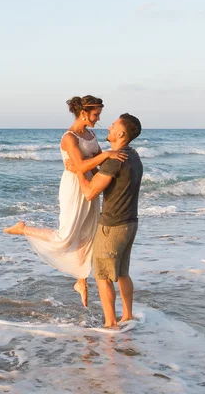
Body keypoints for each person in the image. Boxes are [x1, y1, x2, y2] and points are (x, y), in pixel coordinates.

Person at [4, 96, 127, 307]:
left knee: (87, 234)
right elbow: (80, 166)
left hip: (91, 187)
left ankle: (81, 281)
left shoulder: (90, 134)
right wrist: (106, 155)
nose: (98, 119)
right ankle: (24, 228)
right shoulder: (69, 138)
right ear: (83, 114)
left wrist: (109, 175)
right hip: (73, 188)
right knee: (66, 235)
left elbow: (96, 165)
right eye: (96, 114)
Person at [66, 113, 143, 328]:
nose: (108, 126)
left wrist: (79, 171)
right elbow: (110, 179)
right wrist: (92, 167)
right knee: (122, 273)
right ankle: (127, 316)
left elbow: (90, 192)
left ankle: (110, 324)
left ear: (121, 133)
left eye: (113, 125)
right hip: (130, 222)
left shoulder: (115, 159)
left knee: (103, 276)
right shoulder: (133, 155)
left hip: (112, 226)